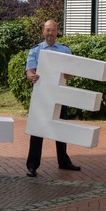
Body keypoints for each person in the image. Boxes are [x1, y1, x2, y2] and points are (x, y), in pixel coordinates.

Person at [24, 19, 81, 177]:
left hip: (59, 95)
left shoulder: (64, 50)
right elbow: (29, 69)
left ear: (57, 32)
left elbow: (70, 73)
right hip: (42, 97)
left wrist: (69, 73)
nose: (50, 33)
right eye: (47, 30)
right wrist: (31, 76)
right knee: (37, 131)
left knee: (61, 129)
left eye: (53, 30)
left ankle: (64, 162)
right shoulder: (35, 51)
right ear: (43, 32)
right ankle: (32, 165)